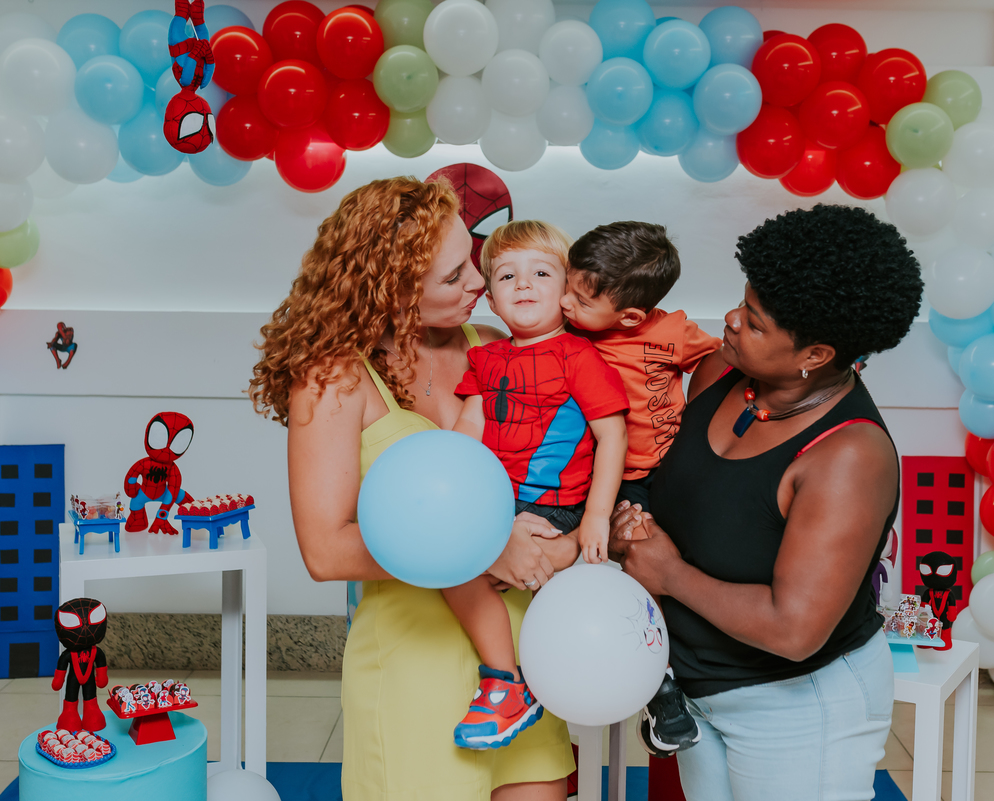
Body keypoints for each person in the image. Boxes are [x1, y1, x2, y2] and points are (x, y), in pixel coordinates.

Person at [249, 177, 576, 801]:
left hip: (523, 667)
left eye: (473, 263)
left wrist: (564, 546)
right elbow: (325, 551)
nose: (480, 284)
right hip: (412, 666)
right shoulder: (334, 379)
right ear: (390, 288)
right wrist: (480, 545)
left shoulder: (501, 349)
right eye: (454, 277)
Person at [609, 205, 924, 801]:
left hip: (800, 706)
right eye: (741, 302)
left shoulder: (848, 457)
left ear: (815, 355)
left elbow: (795, 628)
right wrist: (632, 519)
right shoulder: (718, 378)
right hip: (701, 689)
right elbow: (673, 493)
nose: (730, 321)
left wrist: (668, 573)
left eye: (754, 322)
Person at [448, 220, 629, 750]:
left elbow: (611, 437)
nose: (523, 285)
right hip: (495, 502)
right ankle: (506, 680)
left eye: (541, 272)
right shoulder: (485, 357)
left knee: (483, 568)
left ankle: (517, 684)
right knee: (451, 561)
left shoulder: (580, 357)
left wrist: (597, 516)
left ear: (568, 290)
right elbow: (468, 429)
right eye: (506, 276)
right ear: (492, 302)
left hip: (557, 507)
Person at [558, 221, 723, 757]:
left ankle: (695, 668)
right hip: (617, 476)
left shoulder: (672, 331)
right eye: (567, 286)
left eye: (580, 299)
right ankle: (659, 687)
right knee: (640, 560)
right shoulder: (573, 339)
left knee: (694, 557)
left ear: (630, 316)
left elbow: (723, 359)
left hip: (674, 468)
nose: (564, 303)